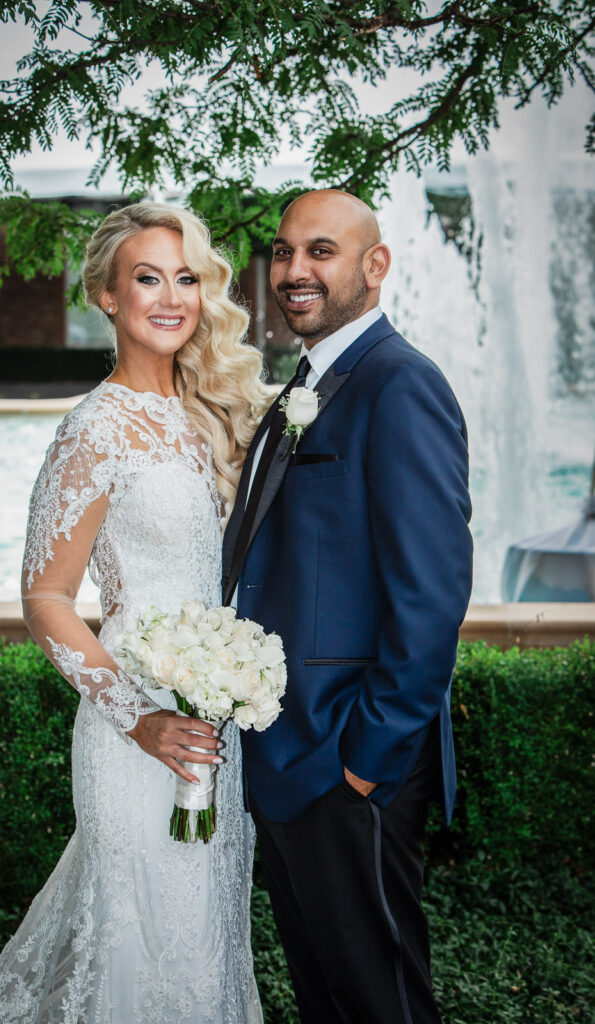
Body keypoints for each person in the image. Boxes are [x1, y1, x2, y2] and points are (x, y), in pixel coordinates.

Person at [0, 202, 269, 1024]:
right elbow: (44, 595)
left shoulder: (216, 417)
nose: (171, 296)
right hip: (134, 728)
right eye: (147, 277)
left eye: (187, 277)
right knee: (136, 938)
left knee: (204, 931)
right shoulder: (92, 429)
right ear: (105, 294)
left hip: (213, 720)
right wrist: (137, 719)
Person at [222, 189, 474, 1024]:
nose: (295, 270)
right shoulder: (308, 381)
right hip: (289, 757)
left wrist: (364, 759)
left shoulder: (398, 384)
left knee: (380, 1001)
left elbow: (429, 594)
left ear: (374, 266)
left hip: (345, 762)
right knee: (328, 1000)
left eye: (320, 252)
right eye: (286, 252)